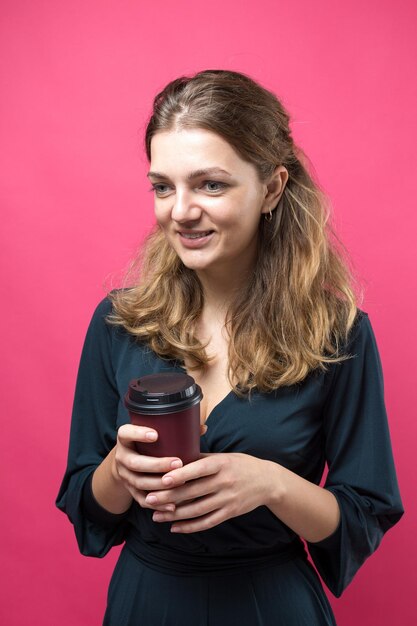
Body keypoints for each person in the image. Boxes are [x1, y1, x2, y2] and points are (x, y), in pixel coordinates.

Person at [56, 69, 404, 625]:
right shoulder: (118, 323)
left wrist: (271, 483)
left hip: (273, 605)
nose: (181, 211)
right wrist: (118, 471)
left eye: (210, 185)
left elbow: (362, 515)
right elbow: (85, 506)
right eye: (163, 186)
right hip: (147, 603)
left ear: (272, 187)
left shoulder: (339, 331)